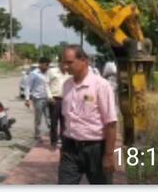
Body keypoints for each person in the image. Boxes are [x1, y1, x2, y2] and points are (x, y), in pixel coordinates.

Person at [59, 45, 117, 184]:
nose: (65, 66)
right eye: (64, 62)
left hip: (96, 149)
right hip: (70, 149)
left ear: (84, 61)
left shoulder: (101, 85)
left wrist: (108, 155)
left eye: (69, 62)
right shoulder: (67, 85)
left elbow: (111, 123)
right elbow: (66, 119)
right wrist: (63, 147)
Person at [46, 56, 71, 149]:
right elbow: (46, 84)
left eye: (67, 63)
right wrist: (49, 97)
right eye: (64, 63)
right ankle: (53, 142)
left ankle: (63, 142)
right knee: (54, 122)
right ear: (59, 62)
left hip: (65, 100)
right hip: (54, 100)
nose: (65, 65)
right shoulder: (52, 71)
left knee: (64, 122)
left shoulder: (69, 73)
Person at [24, 57, 51, 142]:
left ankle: (52, 133)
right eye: (46, 65)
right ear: (40, 64)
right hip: (38, 98)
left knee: (49, 117)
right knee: (38, 118)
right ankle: (37, 135)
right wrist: (27, 99)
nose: (47, 67)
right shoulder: (34, 74)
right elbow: (28, 86)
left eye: (48, 65)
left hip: (48, 98)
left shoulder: (49, 73)